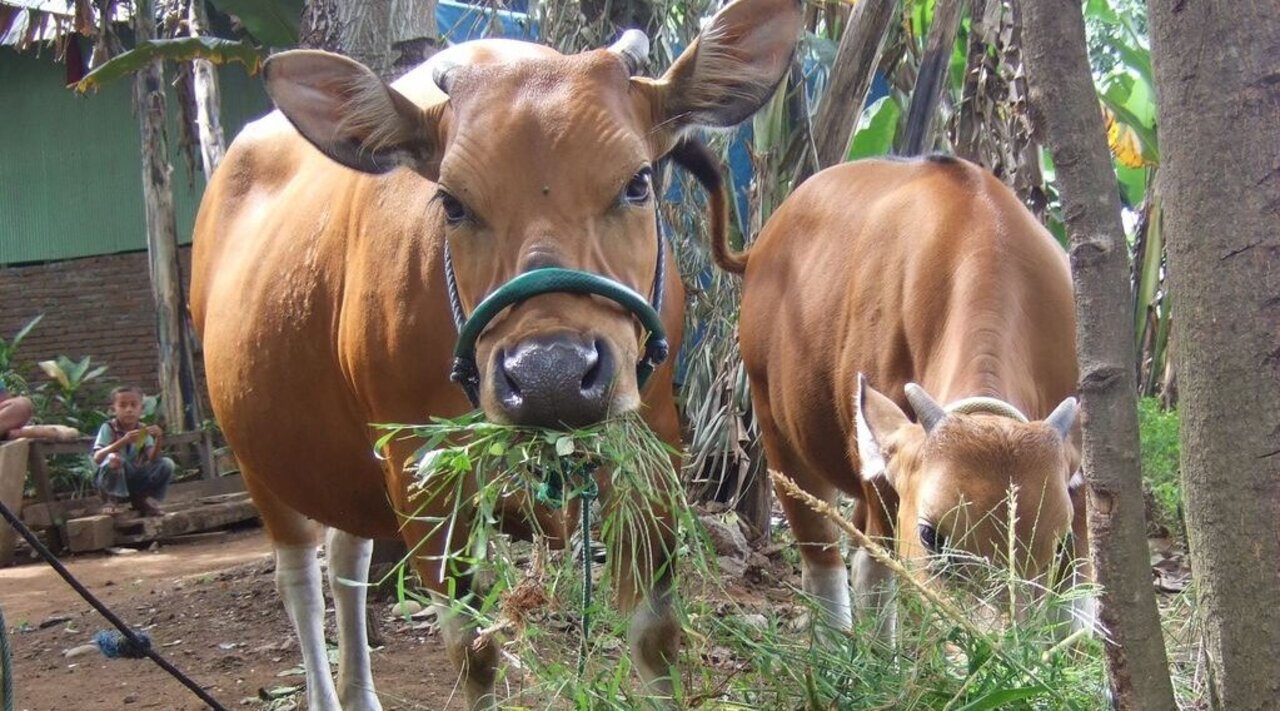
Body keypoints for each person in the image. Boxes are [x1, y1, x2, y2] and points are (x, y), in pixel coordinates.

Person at [91, 386, 173, 517]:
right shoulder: (108, 428)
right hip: (110, 479)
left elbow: (153, 458)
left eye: (133, 405)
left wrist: (158, 438)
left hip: (133, 477)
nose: (129, 410)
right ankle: (112, 500)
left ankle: (144, 500)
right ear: (113, 410)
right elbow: (98, 457)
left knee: (166, 464)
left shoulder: (141, 430)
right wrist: (123, 441)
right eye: (123, 406)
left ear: (141, 409)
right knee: (114, 458)